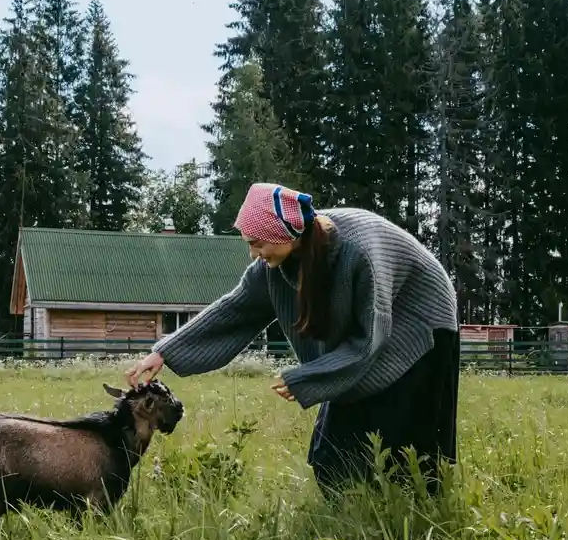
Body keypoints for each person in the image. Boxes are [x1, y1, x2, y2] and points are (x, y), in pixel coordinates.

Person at [127, 182, 460, 497]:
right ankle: (353, 504)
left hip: (420, 320)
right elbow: (235, 310)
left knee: (405, 431)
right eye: (249, 244)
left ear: (284, 233)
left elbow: (369, 341)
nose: (253, 254)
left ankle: (411, 508)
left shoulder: (358, 254)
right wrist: (164, 352)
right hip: (375, 328)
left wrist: (309, 377)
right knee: (333, 452)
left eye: (257, 243)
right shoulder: (274, 266)